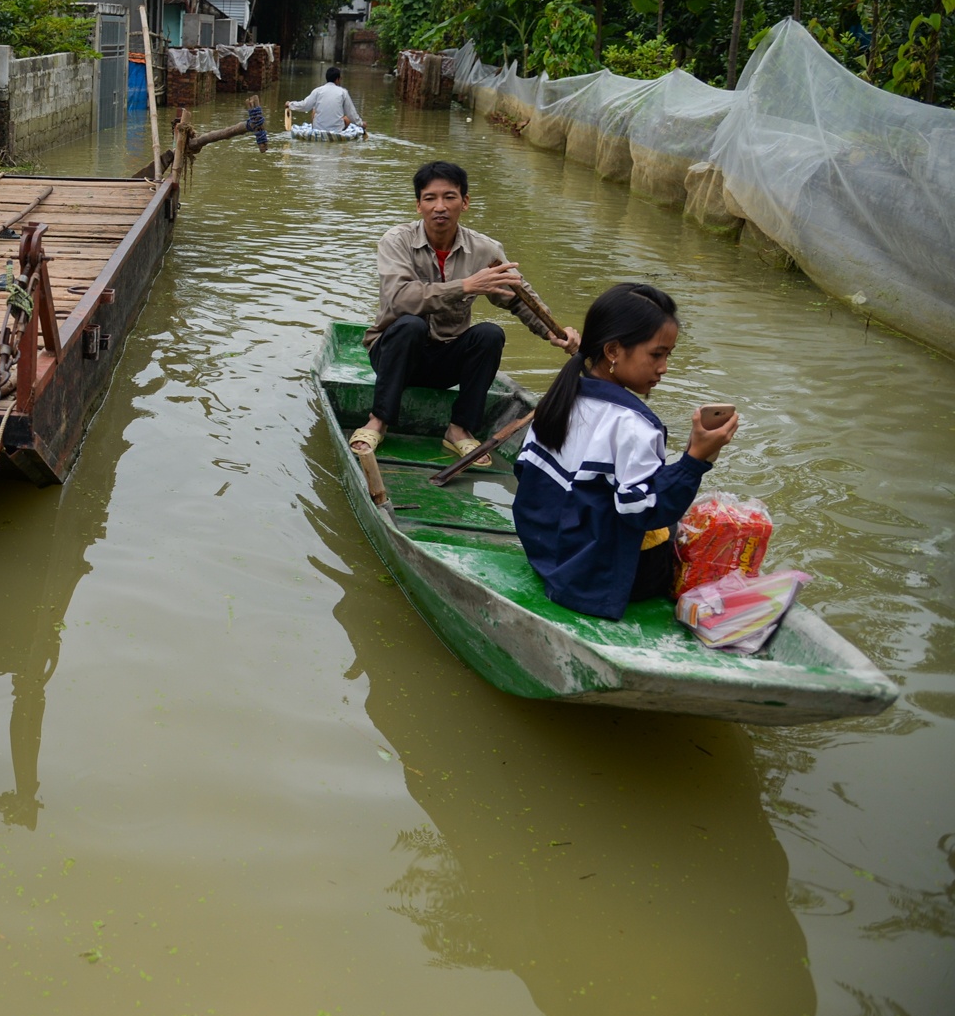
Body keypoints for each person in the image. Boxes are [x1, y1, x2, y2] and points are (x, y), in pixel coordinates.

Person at [512, 282, 740, 619]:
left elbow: (523, 471)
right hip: (593, 577)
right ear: (614, 351)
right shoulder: (636, 425)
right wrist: (695, 461)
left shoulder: (560, 396)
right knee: (679, 529)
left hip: (544, 550)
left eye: (667, 356)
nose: (663, 368)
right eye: (656, 354)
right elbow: (644, 512)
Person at [354, 161, 580, 463]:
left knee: (489, 334)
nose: (440, 207)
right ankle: (377, 421)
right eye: (430, 198)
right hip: (395, 357)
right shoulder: (396, 241)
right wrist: (466, 286)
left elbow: (519, 296)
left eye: (449, 197)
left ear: (465, 202)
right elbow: (399, 299)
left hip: (447, 362)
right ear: (418, 205)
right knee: (410, 325)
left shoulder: (485, 250)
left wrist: (555, 332)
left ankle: (459, 430)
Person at [289, 66, 365, 136]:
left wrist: (290, 104)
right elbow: (351, 113)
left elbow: (304, 106)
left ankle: (319, 130)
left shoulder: (317, 91)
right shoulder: (343, 92)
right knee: (347, 118)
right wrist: (361, 124)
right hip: (337, 129)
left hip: (318, 128)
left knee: (314, 111)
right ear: (337, 79)